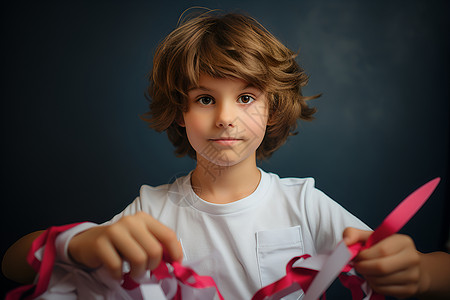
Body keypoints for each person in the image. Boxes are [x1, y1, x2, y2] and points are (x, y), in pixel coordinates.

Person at [3, 10, 450, 300]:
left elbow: (439, 271)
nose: (225, 118)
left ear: (272, 108)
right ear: (180, 112)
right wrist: (78, 243)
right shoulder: (151, 210)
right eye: (203, 99)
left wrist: (418, 273)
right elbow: (13, 263)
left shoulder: (304, 204)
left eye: (247, 98)